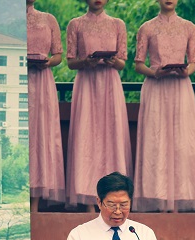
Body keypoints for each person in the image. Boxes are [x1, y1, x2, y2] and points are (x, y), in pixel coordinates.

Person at [132, 0, 195, 213]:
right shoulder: (146, 28)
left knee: (182, 142)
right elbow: (138, 64)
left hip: (181, 88)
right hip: (156, 87)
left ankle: (178, 200)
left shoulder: (189, 27)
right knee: (156, 141)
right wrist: (154, 72)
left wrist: (186, 71)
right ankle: (159, 199)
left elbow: (194, 61)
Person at [65, 0, 133, 211]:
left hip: (110, 85)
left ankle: (114, 199)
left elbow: (122, 62)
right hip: (86, 83)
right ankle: (88, 201)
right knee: (86, 137)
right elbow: (70, 61)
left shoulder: (117, 24)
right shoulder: (75, 24)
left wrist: (113, 61)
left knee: (112, 138)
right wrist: (86, 62)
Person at [27, 0, 65, 213]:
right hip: (15, 79)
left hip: (42, 81)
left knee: (41, 136)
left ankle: (35, 205)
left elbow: (58, 55)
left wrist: (47, 62)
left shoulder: (49, 19)